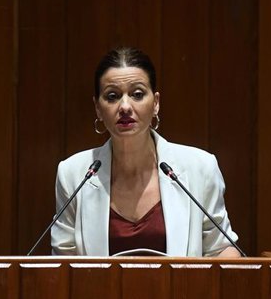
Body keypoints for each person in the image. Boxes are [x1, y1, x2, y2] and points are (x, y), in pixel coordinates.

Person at [51, 47, 241, 257]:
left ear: (156, 103)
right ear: (97, 108)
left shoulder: (200, 168)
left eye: (137, 94)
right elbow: (63, 262)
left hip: (182, 291)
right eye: (112, 96)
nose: (125, 106)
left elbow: (222, 249)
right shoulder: (73, 174)